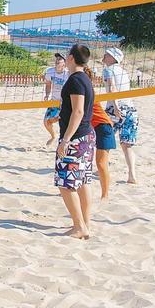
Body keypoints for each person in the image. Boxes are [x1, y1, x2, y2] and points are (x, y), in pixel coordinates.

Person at [54, 44, 96, 240]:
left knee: (66, 183)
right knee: (82, 182)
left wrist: (65, 140)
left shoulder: (76, 80)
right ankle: (85, 224)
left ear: (70, 58)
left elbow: (78, 111)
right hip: (86, 136)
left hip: (77, 138)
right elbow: (76, 110)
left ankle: (80, 227)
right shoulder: (85, 79)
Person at [102, 47, 139, 184]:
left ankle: (103, 167)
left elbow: (113, 89)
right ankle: (132, 175)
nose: (104, 55)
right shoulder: (124, 71)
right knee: (127, 145)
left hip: (115, 109)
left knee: (103, 141)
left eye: (107, 54)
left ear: (113, 58)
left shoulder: (108, 70)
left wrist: (116, 108)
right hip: (131, 109)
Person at [84, 66, 116, 201]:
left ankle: (105, 195)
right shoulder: (84, 89)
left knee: (101, 163)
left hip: (103, 128)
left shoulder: (87, 91)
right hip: (93, 127)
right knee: (85, 161)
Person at [43, 53, 69, 148]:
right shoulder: (50, 72)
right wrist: (47, 95)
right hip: (54, 101)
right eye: (57, 58)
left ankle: (64, 143)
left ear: (64, 63)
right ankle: (53, 136)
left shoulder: (68, 74)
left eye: (60, 59)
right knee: (47, 122)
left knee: (64, 125)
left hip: (65, 103)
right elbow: (48, 84)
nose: (57, 60)